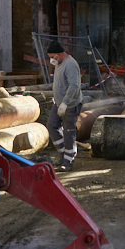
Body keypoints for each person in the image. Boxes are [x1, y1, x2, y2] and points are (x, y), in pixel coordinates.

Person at [47, 41, 82, 171]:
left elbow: (74, 85)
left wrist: (66, 103)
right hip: (59, 103)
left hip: (70, 104)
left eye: (52, 56)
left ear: (60, 54)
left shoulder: (70, 65)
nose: (51, 59)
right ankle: (63, 153)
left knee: (69, 132)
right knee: (52, 125)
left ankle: (68, 162)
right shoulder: (59, 63)